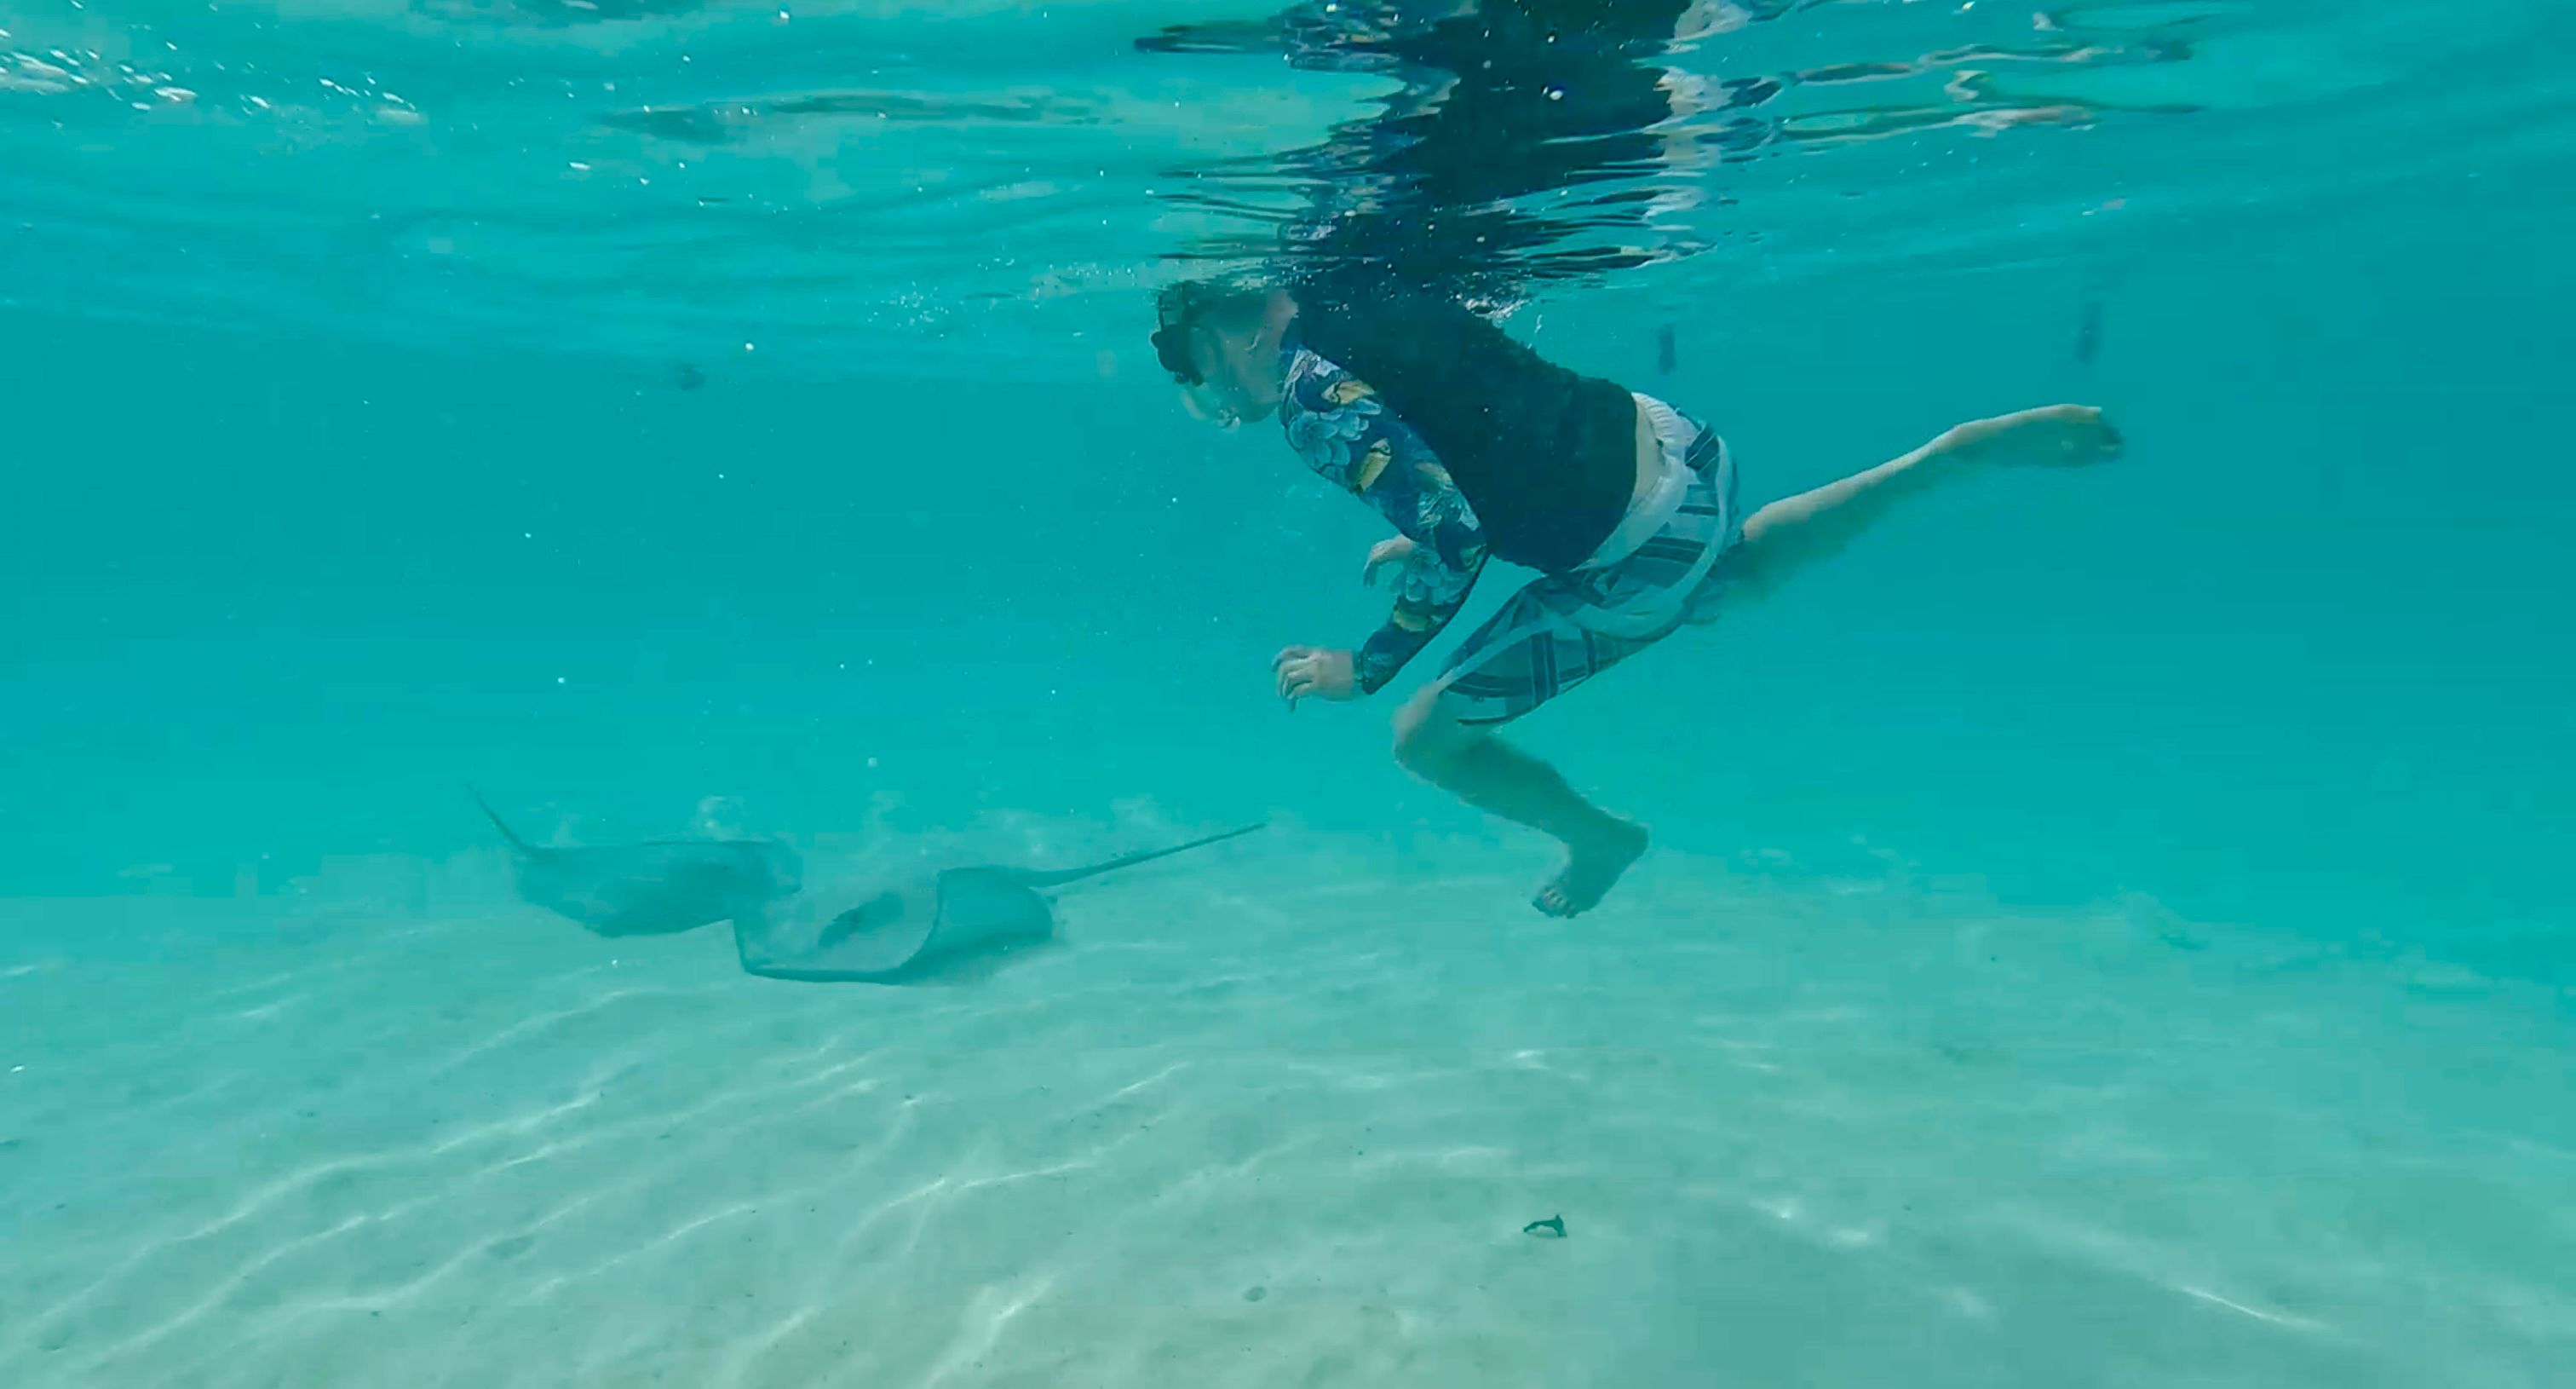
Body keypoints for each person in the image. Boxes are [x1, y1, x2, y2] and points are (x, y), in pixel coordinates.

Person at [1153, 276, 2120, 915]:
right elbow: (1479, 411)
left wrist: (1360, 667)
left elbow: (1460, 533)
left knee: (1421, 736)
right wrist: (1426, 523)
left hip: (1642, 541)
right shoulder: (1351, 283)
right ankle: (1940, 459)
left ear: (1227, 333)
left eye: (1195, 376)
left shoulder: (1310, 397)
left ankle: (1601, 840)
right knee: (1718, 574)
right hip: (1687, 450)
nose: (1213, 403)